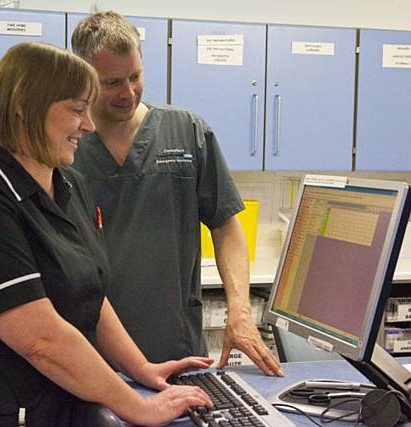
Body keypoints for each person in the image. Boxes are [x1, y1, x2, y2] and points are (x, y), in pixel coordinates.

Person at [0, 41, 213, 426]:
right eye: (76, 110)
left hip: (53, 403)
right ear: (24, 107)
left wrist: (141, 368)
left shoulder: (69, 184)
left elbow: (89, 295)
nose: (89, 126)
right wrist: (137, 406)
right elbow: (41, 339)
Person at [71, 11, 283, 376]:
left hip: (176, 350)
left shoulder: (186, 132)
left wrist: (240, 312)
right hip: (89, 355)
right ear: (82, 74)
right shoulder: (64, 145)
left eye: (135, 76)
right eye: (111, 83)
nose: (128, 92)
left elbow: (226, 226)